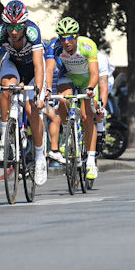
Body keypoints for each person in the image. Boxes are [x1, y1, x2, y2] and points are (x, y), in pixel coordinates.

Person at [0, 0, 48, 186]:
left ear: (24, 24)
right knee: (6, 86)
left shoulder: (33, 32)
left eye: (17, 27)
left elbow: (39, 66)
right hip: (12, 63)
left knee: (32, 110)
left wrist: (39, 95)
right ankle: (3, 137)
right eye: (10, 26)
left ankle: (40, 158)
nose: (13, 31)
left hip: (32, 69)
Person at [43, 16, 102, 180]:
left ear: (76, 36)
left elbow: (95, 73)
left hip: (86, 79)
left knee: (86, 116)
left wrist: (90, 88)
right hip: (68, 76)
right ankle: (68, 130)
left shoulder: (87, 45)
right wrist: (47, 88)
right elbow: (49, 70)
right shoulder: (55, 47)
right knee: (62, 99)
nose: (66, 41)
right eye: (62, 37)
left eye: (69, 37)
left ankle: (90, 161)